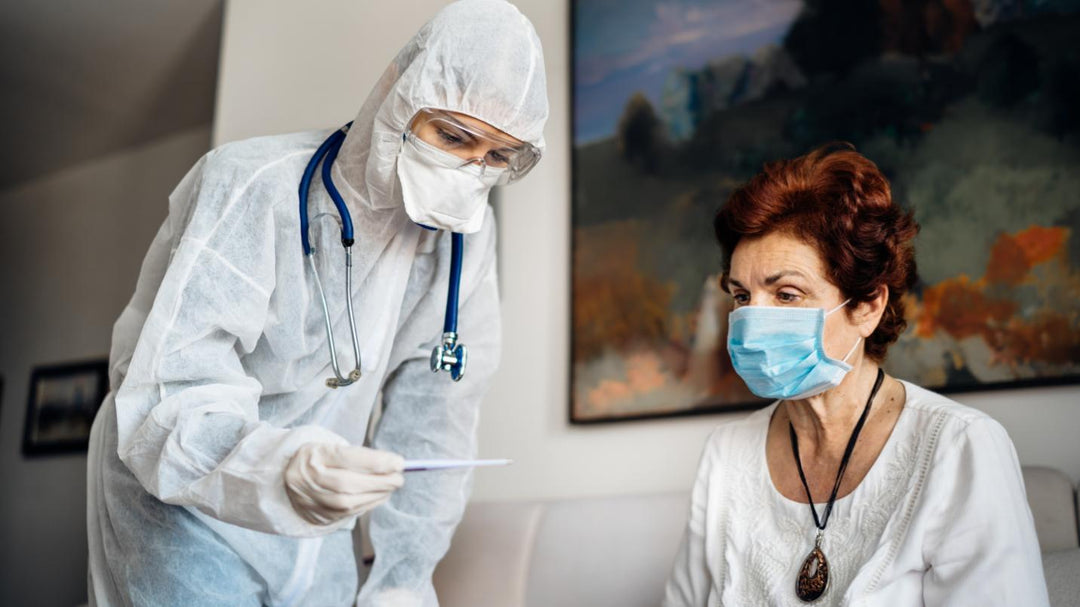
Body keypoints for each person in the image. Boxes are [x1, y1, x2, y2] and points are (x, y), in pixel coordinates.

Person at [86, 1, 548, 605]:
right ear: (397, 92)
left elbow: (437, 424)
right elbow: (170, 389)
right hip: (187, 504)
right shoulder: (254, 185)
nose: (468, 171)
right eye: (454, 136)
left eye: (495, 156)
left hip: (318, 521)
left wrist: (402, 580)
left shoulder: (467, 242)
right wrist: (279, 468)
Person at [663, 145, 1048, 606]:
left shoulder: (959, 446)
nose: (752, 318)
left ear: (868, 307)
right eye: (742, 296)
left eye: (787, 294)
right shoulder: (726, 455)